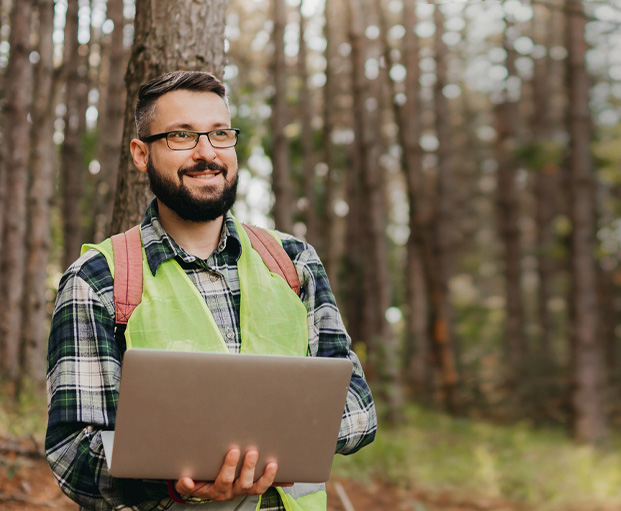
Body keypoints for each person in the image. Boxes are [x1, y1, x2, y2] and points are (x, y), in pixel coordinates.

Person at [45, 70, 377, 511]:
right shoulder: (97, 279)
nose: (207, 153)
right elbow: (72, 454)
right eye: (182, 136)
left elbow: (357, 405)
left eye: (220, 134)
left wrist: (265, 445)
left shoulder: (295, 262)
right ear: (141, 154)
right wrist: (174, 479)